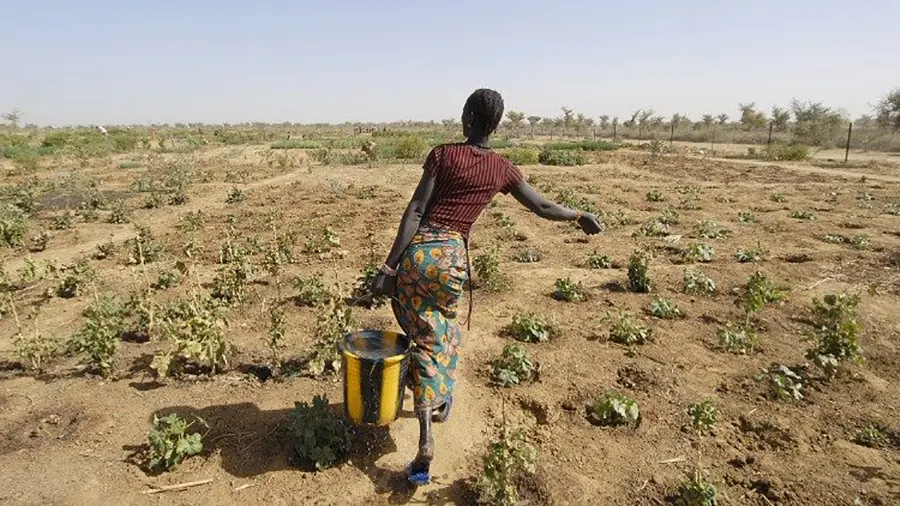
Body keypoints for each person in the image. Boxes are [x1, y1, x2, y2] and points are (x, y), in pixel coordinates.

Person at [371, 88, 603, 486]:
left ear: (469, 118)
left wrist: (389, 267)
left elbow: (415, 211)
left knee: (420, 335)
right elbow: (543, 207)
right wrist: (579, 215)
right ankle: (440, 399)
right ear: (494, 124)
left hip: (419, 255)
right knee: (440, 332)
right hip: (451, 262)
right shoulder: (502, 169)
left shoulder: (443, 154)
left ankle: (426, 438)